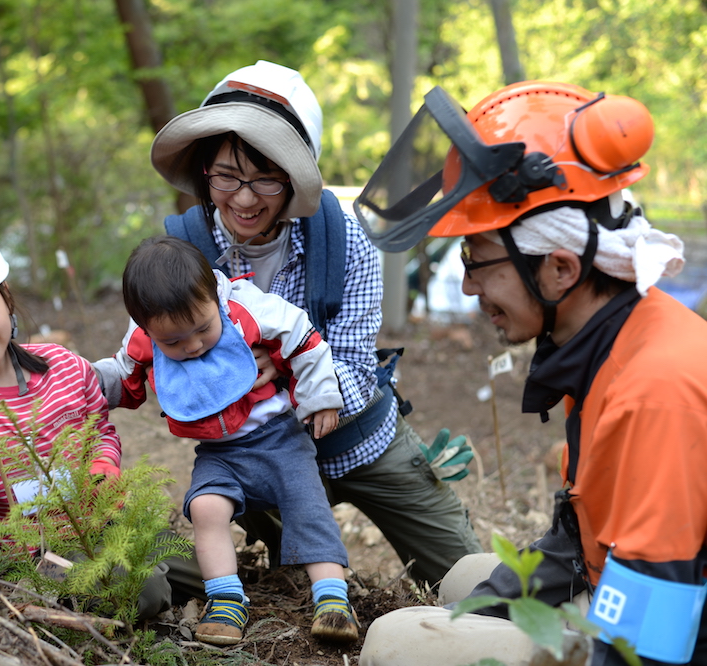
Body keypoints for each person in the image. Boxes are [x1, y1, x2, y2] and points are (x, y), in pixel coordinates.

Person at [354, 81, 703, 666]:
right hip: (633, 590)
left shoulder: (654, 390)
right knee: (465, 581)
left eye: (477, 261)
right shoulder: (607, 342)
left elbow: (654, 635)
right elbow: (579, 543)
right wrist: (479, 616)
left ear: (560, 268)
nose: (468, 286)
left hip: (666, 635)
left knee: (395, 641)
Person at [148, 59, 482, 587]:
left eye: (265, 179)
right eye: (227, 175)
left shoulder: (346, 241)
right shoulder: (184, 252)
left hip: (359, 439)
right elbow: (160, 361)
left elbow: (353, 367)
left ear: (295, 178)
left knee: (472, 578)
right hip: (257, 452)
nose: (243, 197)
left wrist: (285, 375)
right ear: (203, 169)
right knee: (285, 582)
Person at [0, 208, 198, 621]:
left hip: (103, 517)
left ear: (6, 297)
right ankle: (110, 598)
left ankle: (150, 580)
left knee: (203, 570)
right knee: (144, 591)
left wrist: (104, 463)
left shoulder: (64, 366)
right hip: (38, 552)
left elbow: (99, 429)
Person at [94, 235, 359, 645]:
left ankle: (333, 602)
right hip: (218, 452)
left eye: (202, 329)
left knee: (307, 508)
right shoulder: (144, 339)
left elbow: (305, 339)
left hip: (279, 439)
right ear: (147, 327)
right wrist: (77, 382)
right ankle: (225, 601)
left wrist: (320, 397)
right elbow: (121, 377)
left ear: (214, 299)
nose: (193, 345)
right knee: (204, 508)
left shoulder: (246, 309)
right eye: (174, 342)